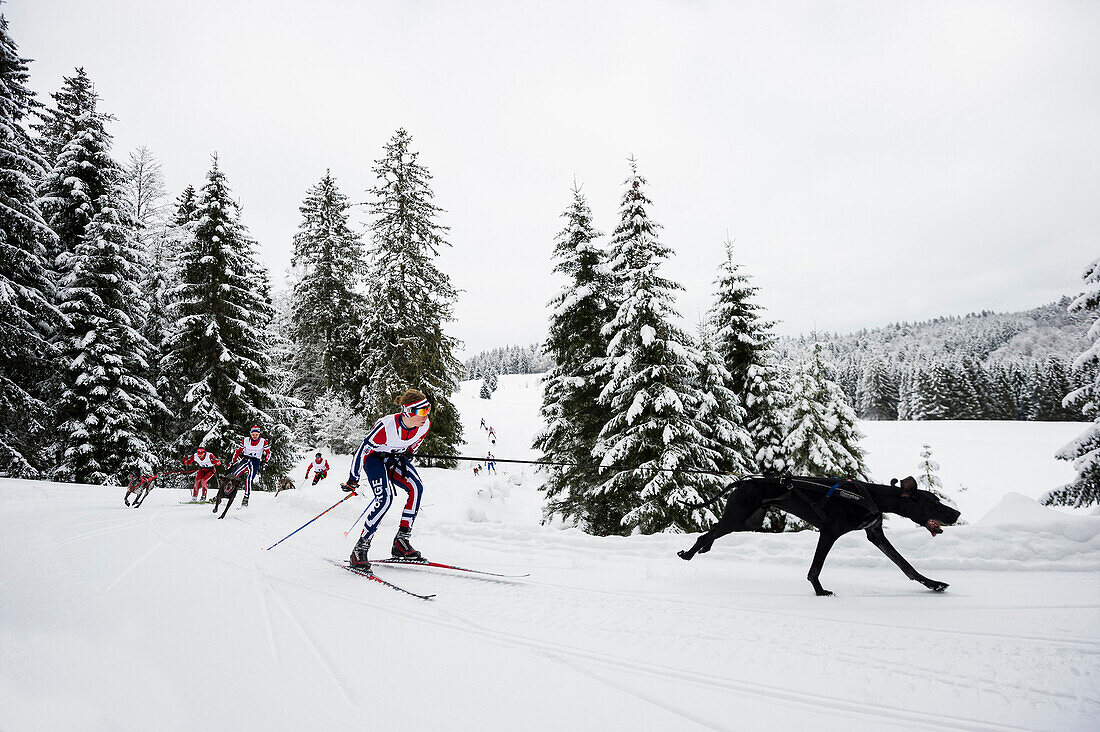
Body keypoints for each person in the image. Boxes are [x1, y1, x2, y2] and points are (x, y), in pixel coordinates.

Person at [345, 389, 431, 570]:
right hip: (374, 459)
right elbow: (362, 451)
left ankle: (401, 542)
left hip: (395, 458)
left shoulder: (424, 425)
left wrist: (408, 453)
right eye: (422, 411)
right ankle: (360, 549)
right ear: (408, 412)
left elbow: (413, 445)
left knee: (416, 488)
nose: (426, 415)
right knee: (385, 500)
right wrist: (353, 478)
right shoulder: (386, 427)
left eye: (428, 409)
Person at [228, 426, 270, 508]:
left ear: (259, 434)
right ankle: (224, 493)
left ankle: (246, 498)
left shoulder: (263, 441)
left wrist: (266, 462)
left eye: (256, 434)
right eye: (253, 434)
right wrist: (232, 461)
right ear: (250, 434)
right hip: (245, 459)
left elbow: (268, 453)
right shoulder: (246, 440)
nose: (254, 436)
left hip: (255, 462)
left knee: (249, 479)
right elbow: (238, 451)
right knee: (232, 476)